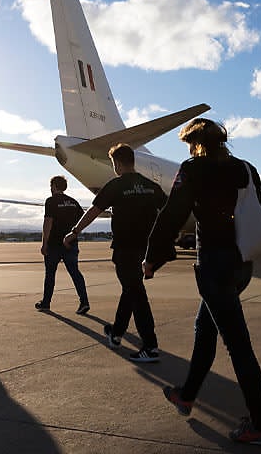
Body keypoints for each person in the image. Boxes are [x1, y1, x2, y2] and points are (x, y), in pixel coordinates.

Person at [144, 118, 261, 446]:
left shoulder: (193, 169)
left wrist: (152, 258)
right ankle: (186, 396)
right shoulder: (246, 168)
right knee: (204, 331)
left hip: (215, 267)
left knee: (238, 346)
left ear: (195, 142)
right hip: (242, 264)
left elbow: (172, 214)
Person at [63, 143, 165, 362]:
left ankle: (150, 346)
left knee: (136, 294)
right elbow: (167, 213)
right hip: (145, 249)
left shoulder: (116, 185)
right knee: (131, 289)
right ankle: (117, 333)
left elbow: (93, 211)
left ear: (117, 163)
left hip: (125, 248)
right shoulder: (150, 186)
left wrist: (74, 231)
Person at [36, 175, 89, 314]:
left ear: (54, 186)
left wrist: (44, 243)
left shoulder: (51, 201)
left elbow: (48, 222)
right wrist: (75, 234)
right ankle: (84, 301)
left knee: (50, 274)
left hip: (54, 244)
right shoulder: (73, 202)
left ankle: (46, 303)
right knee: (75, 273)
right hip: (70, 243)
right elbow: (82, 220)